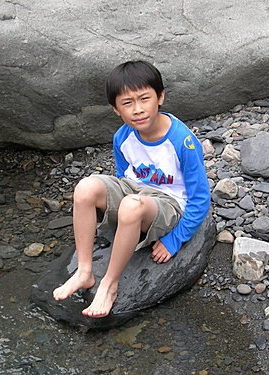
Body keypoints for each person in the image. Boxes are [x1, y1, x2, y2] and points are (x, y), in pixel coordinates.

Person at [53, 60, 210, 318]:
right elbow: (122, 177)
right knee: (85, 188)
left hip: (168, 203)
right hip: (135, 191)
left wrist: (174, 239)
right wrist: (115, 214)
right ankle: (84, 271)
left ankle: (110, 284)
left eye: (144, 99)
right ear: (116, 109)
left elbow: (200, 199)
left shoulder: (182, 141)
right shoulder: (123, 136)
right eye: (127, 103)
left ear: (160, 97)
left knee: (131, 205)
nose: (137, 110)